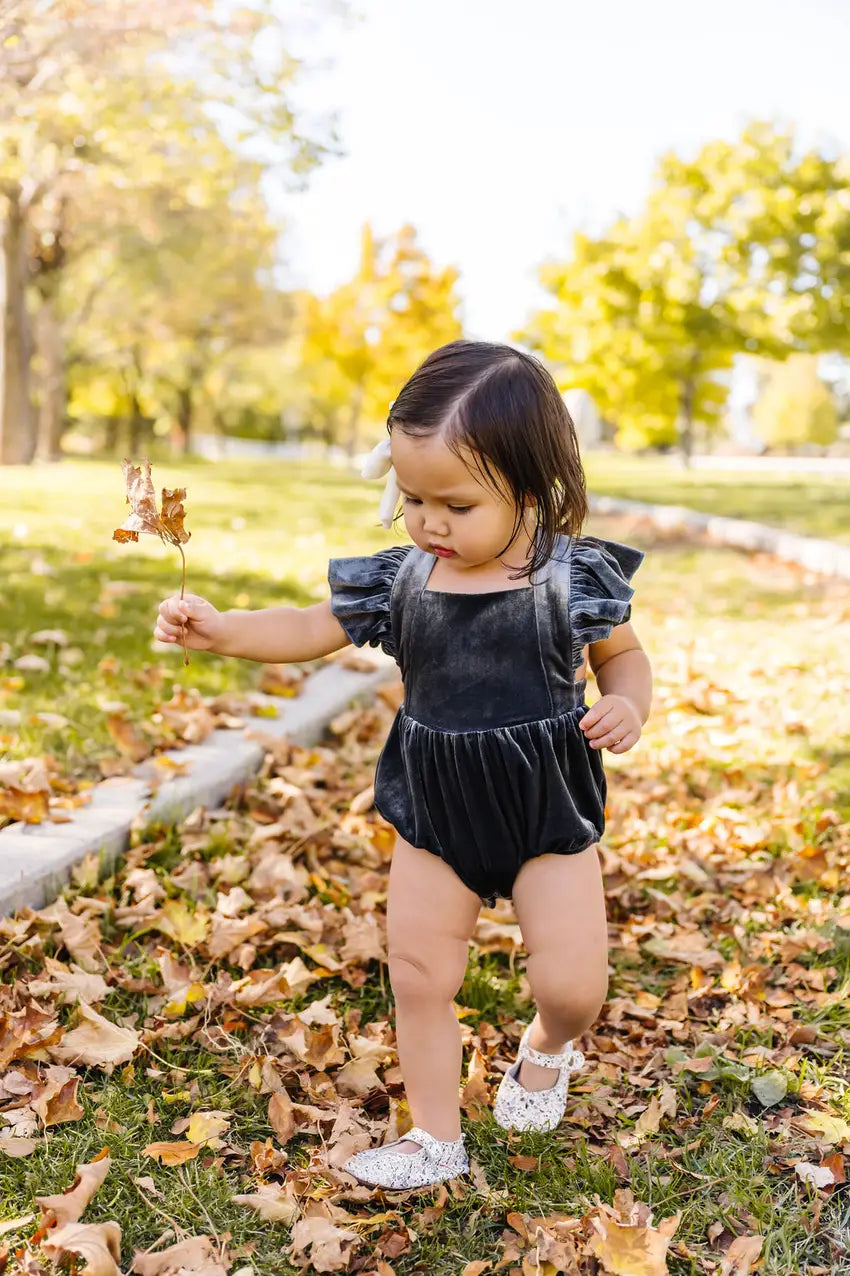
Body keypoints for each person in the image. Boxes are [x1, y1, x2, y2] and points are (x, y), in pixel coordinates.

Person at [153, 339, 652, 1191]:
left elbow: (625, 658)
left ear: (529, 486)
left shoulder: (574, 578)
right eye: (413, 498)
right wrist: (223, 628)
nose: (428, 523)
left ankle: (548, 1045)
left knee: (573, 986)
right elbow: (308, 627)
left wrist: (629, 704)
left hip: (544, 805)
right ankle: (434, 1137)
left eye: (455, 504)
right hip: (434, 806)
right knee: (420, 974)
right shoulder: (404, 581)